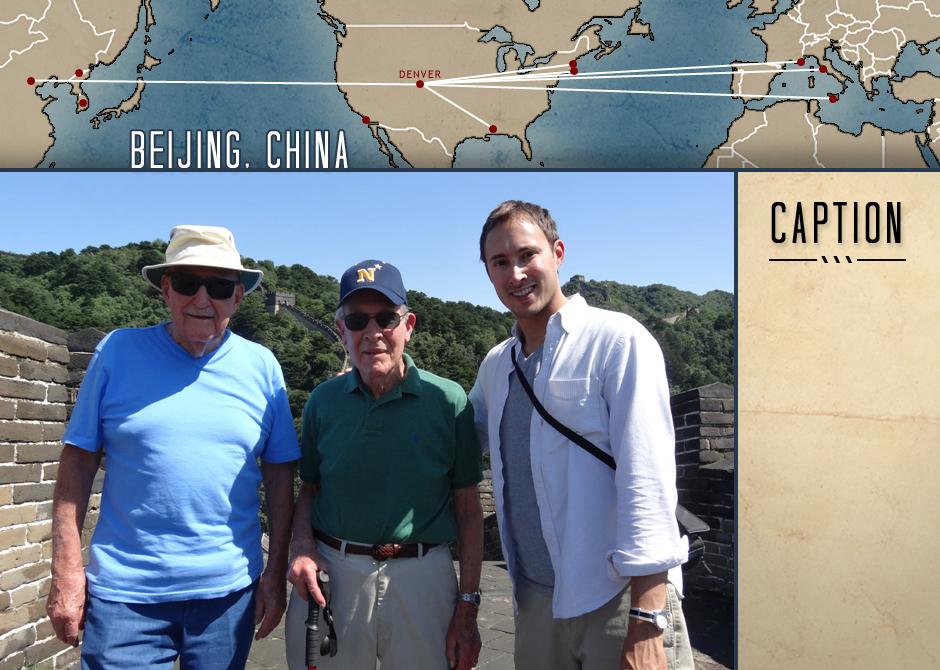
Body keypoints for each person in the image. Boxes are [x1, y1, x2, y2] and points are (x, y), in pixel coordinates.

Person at [47, 225, 300, 670]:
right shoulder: (118, 351)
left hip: (228, 596)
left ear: (238, 297)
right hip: (127, 597)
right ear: (166, 289)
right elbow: (78, 461)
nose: (203, 299)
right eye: (188, 283)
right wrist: (67, 570)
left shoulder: (262, 367)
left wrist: (274, 576)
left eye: (220, 286)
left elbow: (280, 476)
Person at [468, 201, 695, 670]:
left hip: (616, 599)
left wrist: (648, 618)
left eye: (527, 255)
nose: (516, 274)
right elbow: (455, 443)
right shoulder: (496, 366)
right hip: (534, 603)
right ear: (488, 273)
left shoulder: (616, 340)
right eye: (500, 263)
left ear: (558, 253)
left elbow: (648, 478)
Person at [285, 259, 484, 670]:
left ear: (408, 325)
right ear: (341, 331)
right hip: (334, 575)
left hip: (423, 576)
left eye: (386, 318)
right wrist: (301, 546)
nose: (372, 332)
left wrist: (467, 605)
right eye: (358, 319)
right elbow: (310, 489)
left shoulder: (448, 402)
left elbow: (467, 508)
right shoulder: (323, 401)